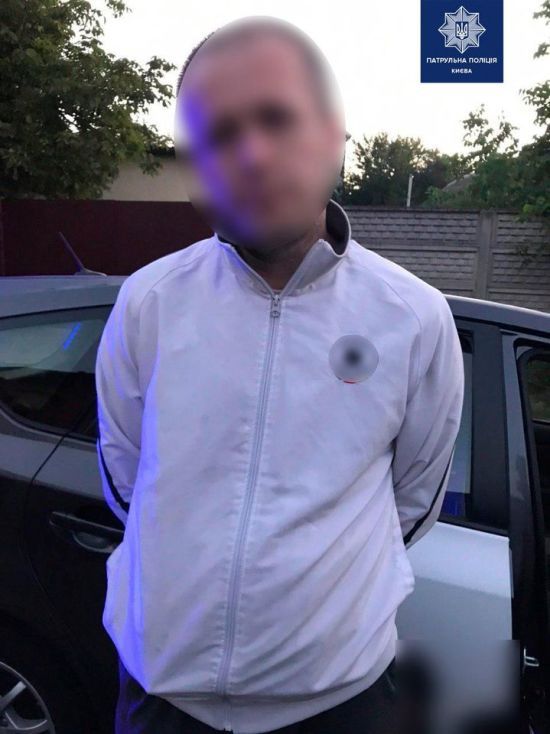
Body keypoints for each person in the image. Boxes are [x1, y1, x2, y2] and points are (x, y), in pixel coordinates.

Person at [95, 15, 465, 734]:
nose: (252, 154)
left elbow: (411, 503)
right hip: (163, 701)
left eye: (275, 119)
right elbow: (128, 478)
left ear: (333, 136)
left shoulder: (414, 317)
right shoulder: (148, 302)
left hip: (338, 707)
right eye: (219, 135)